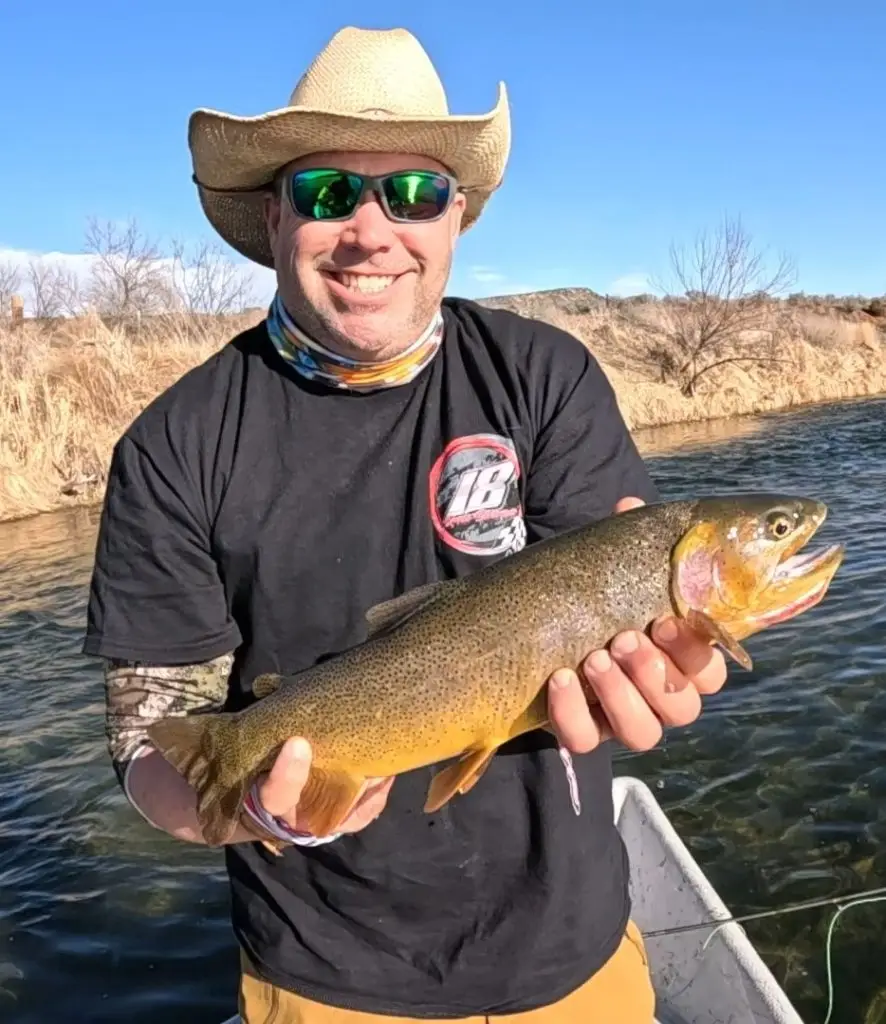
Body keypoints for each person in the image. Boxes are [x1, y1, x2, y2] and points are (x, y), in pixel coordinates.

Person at [82, 25, 727, 1024]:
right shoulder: (175, 445)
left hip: (573, 953)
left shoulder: (543, 378)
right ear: (275, 212)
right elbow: (148, 738)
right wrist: (246, 809)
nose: (371, 229)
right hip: (320, 975)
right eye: (330, 191)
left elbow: (621, 615)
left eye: (414, 192)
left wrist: (673, 663)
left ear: (456, 216)